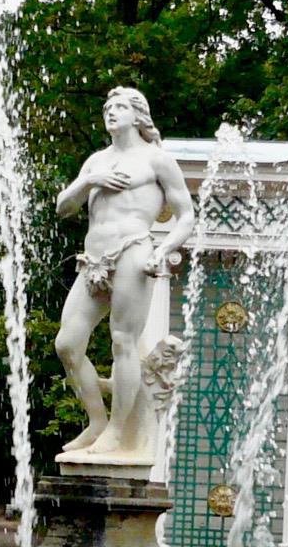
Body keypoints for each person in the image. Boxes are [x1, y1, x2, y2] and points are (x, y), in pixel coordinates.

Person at [51, 84, 196, 463]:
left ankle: (116, 431)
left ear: (137, 115)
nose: (111, 113)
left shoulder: (156, 160)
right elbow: (63, 207)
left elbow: (186, 216)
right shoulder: (96, 162)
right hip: (93, 260)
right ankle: (97, 421)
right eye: (107, 108)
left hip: (133, 252)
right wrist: (89, 181)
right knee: (67, 344)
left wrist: (162, 250)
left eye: (119, 107)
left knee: (122, 342)